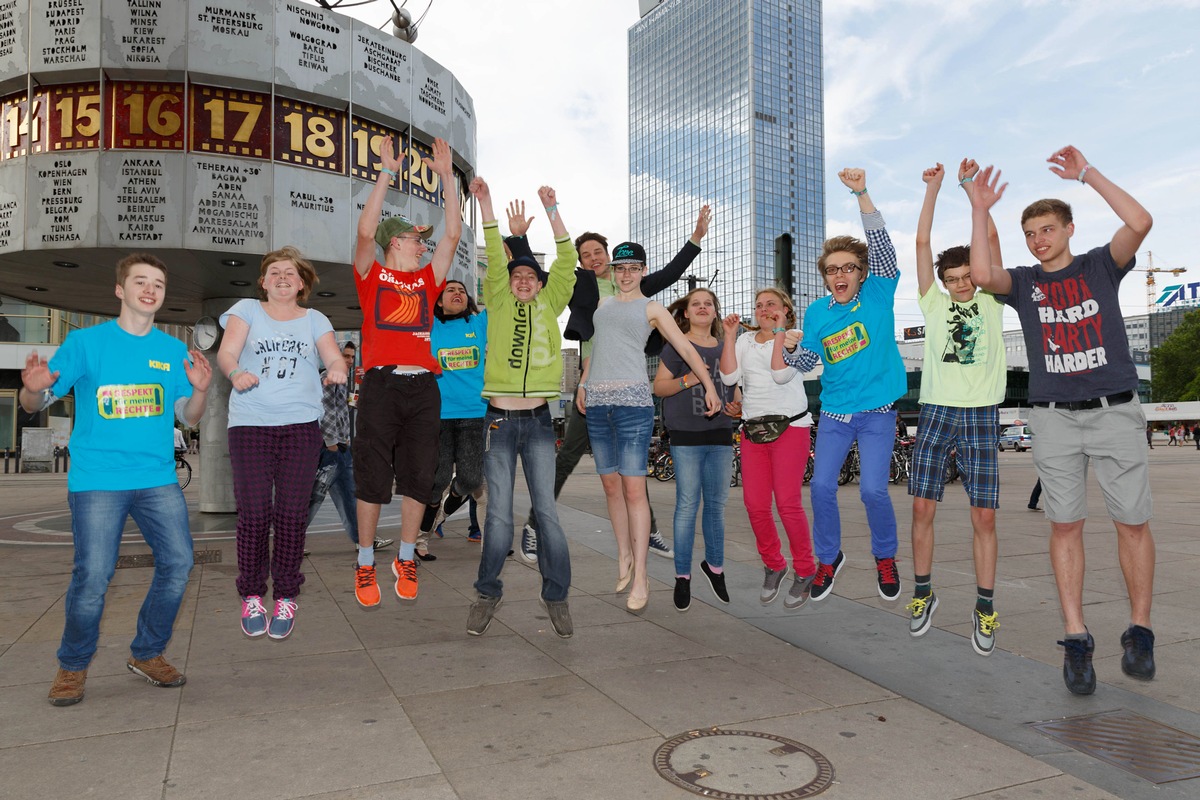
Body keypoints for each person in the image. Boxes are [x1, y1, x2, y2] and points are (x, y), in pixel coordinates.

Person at [968, 145, 1156, 695]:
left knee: (1132, 523)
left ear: (1068, 228)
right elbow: (981, 272)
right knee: (1064, 524)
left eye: (1046, 229)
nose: (1038, 240)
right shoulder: (1025, 283)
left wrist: (1087, 173)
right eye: (1030, 233)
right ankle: (1076, 637)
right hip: (1052, 419)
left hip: (1114, 409)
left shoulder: (1100, 265)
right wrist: (980, 209)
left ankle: (1140, 629)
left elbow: (1140, 221)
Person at [20, 253, 211, 706]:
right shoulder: (85, 343)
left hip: (157, 479)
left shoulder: (171, 351)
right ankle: (72, 666)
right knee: (93, 576)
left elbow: (188, 417)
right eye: (140, 281)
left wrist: (201, 390)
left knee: (179, 564)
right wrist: (31, 387)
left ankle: (147, 652)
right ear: (120, 290)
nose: (150, 289)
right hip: (97, 481)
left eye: (158, 284)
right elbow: (36, 403)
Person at [521, 207, 713, 563]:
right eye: (585, 255)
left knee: (634, 468)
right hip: (591, 386)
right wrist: (518, 242)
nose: (593, 259)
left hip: (628, 386)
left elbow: (672, 272)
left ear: (610, 256)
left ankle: (649, 530)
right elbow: (540, 275)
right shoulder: (581, 284)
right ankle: (534, 526)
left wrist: (696, 238)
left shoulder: (635, 283)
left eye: (598, 252)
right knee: (567, 459)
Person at [777, 168, 906, 604]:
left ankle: (885, 557)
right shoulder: (816, 313)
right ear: (825, 276)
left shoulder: (878, 293)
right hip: (833, 412)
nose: (840, 274)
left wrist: (862, 194)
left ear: (862, 273)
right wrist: (791, 346)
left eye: (849, 267)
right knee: (820, 487)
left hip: (877, 413)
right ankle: (828, 558)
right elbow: (807, 362)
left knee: (872, 489)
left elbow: (884, 249)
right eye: (832, 270)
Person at [580, 240, 721, 614]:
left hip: (633, 407)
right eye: (620, 269)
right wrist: (582, 383)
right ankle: (624, 554)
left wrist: (708, 385)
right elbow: (597, 350)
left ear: (642, 271)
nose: (626, 275)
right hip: (597, 403)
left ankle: (641, 574)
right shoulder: (601, 306)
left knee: (633, 490)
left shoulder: (652, 307)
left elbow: (687, 349)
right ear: (613, 272)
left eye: (633, 268)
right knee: (610, 486)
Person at [350, 135, 461, 607]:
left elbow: (453, 234)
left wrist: (447, 180)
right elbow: (363, 232)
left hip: (423, 387)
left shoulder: (427, 279)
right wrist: (385, 173)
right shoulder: (370, 273)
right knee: (373, 475)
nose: (424, 243)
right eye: (417, 238)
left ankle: (407, 554)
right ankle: (364, 562)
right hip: (379, 384)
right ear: (396, 241)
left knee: (420, 475)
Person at [217, 247, 347, 640]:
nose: (283, 277)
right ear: (263, 281)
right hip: (251, 425)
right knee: (255, 513)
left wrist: (338, 369)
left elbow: (333, 357)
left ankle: (287, 595)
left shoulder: (315, 319)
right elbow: (227, 352)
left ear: (302, 283)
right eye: (275, 271)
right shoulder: (247, 310)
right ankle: (253, 594)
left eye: (291, 272)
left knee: (291, 515)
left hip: (300, 427)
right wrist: (236, 372)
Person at [465, 178, 576, 637]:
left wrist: (552, 210)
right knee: (498, 517)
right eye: (517, 275)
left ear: (541, 283)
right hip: (497, 423)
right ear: (507, 281)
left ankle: (557, 597)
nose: (524, 280)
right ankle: (487, 592)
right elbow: (494, 252)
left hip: (538, 422)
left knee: (546, 513)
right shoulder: (497, 298)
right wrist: (486, 205)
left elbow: (567, 263)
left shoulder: (552, 302)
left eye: (532, 276)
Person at [904, 160, 1006, 656]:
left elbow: (990, 240)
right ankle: (923, 593)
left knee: (983, 518)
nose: (962, 283)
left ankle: (985, 606)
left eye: (968, 275)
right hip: (938, 411)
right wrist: (935, 188)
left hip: (981, 413)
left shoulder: (992, 300)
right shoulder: (934, 303)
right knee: (923, 507)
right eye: (954, 278)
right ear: (943, 281)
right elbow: (921, 245)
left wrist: (973, 193)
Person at [719, 288, 815, 608]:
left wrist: (779, 332)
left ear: (785, 309)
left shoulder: (794, 339)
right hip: (753, 429)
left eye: (771, 304)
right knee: (755, 504)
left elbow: (779, 373)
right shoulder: (744, 342)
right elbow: (729, 375)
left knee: (787, 503)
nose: (763, 309)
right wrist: (730, 336)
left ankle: (805, 569)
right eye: (758, 306)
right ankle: (774, 564)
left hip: (791, 427)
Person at [653, 288, 737, 611]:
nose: (702, 308)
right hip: (686, 434)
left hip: (720, 433)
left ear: (715, 312)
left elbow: (734, 386)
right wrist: (689, 380)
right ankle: (682, 576)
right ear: (686, 313)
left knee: (716, 505)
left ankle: (715, 567)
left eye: (708, 304)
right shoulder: (677, 345)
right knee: (687, 504)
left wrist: (737, 406)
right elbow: (659, 387)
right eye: (695, 304)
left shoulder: (725, 346)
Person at [416, 278, 488, 560]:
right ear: (438, 299)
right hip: (438, 415)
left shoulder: (478, 324)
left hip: (474, 413)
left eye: (462, 290)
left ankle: (441, 515)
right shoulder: (428, 326)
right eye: (450, 290)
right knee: (437, 479)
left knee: (471, 479)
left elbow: (501, 294)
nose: (457, 293)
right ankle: (421, 539)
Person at [307, 341, 393, 551]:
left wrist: (344, 441)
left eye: (352, 357)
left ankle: (363, 540)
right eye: (345, 356)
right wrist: (332, 444)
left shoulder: (341, 381)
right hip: (329, 449)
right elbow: (324, 413)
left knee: (349, 495)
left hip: (341, 448)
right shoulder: (326, 379)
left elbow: (341, 412)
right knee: (315, 496)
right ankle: (290, 540)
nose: (349, 360)